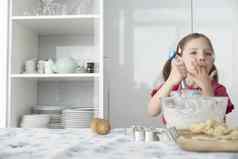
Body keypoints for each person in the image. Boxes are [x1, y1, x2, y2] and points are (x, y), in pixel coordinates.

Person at [148, 33, 234, 124]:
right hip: (175, 137)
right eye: (193, 52)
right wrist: (171, 81)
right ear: (179, 59)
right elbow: (152, 111)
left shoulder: (218, 89)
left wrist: (206, 87)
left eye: (208, 53)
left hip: (206, 138)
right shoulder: (172, 86)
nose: (202, 57)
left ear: (213, 60)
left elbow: (218, 122)